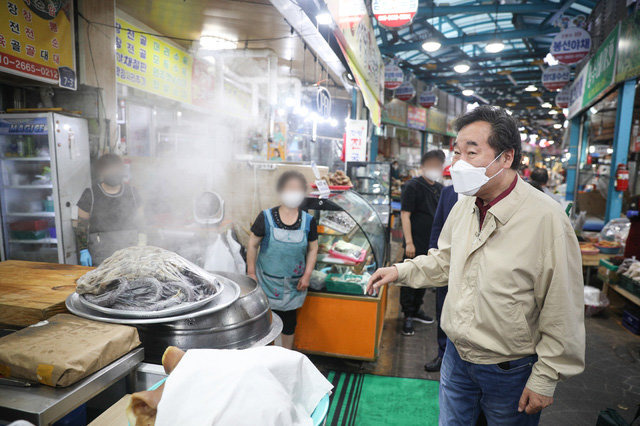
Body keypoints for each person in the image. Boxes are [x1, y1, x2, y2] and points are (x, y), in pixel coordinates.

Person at [366, 106, 585, 425]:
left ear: (506, 157)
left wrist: (545, 377)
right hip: (456, 357)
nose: (458, 163)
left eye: (472, 151)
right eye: (457, 152)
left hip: (509, 370)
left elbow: (562, 305)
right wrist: (401, 271)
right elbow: (445, 261)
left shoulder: (547, 220)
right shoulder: (464, 204)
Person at [246, 171, 319, 350]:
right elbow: (252, 244)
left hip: (294, 285)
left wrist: (307, 274)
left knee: (289, 323)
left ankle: (286, 356)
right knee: (266, 323)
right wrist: (251, 273)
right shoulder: (266, 217)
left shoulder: (308, 221)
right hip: (266, 283)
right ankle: (265, 358)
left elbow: (313, 247)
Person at [399, 150, 445, 336]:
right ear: (423, 167)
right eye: (431, 165)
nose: (435, 169)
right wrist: (409, 242)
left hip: (431, 242)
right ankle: (407, 315)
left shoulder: (440, 189)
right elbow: (405, 215)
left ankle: (417, 309)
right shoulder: (412, 186)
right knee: (410, 276)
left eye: (438, 165)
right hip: (415, 241)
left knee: (425, 277)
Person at [76, 154, 143, 266]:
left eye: (116, 170)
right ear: (102, 172)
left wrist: (142, 242)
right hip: (101, 254)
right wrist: (83, 250)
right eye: (110, 171)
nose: (114, 174)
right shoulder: (90, 194)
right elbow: (81, 225)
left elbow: (141, 219)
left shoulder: (132, 193)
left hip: (131, 252)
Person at [423, 181, 458, 372]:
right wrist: (432, 253)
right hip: (447, 264)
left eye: (470, 153)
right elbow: (438, 225)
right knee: (442, 308)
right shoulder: (448, 192)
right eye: (457, 153)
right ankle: (443, 354)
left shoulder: (489, 192)